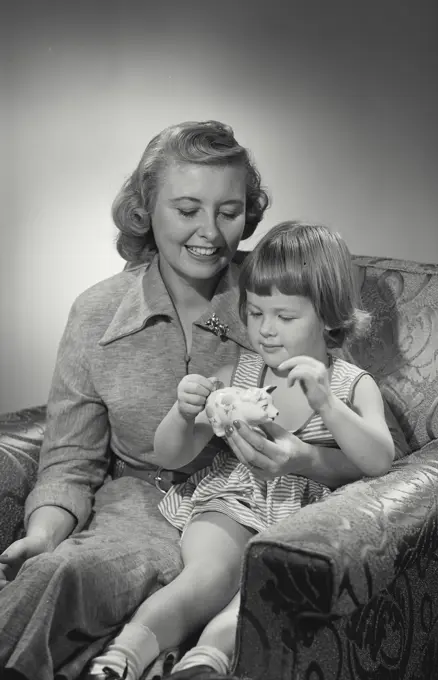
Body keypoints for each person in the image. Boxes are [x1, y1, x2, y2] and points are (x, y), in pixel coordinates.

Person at [0, 119, 271, 680]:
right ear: (146, 210)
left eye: (229, 210)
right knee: (60, 572)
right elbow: (70, 461)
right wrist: (45, 534)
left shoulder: (276, 297)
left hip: (246, 515)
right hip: (135, 513)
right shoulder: (97, 311)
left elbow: (336, 399)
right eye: (187, 208)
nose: (211, 232)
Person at [86, 222, 395, 680]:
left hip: (303, 519)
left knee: (258, 590)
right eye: (255, 313)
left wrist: (327, 404)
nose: (266, 331)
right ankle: (123, 656)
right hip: (233, 501)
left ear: (329, 316)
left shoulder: (351, 385)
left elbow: (380, 460)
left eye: (286, 317)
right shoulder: (240, 372)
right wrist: (182, 411)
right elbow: (169, 455)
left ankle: (207, 659)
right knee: (209, 575)